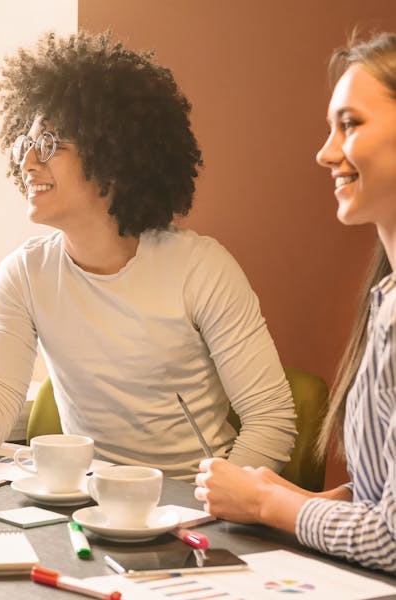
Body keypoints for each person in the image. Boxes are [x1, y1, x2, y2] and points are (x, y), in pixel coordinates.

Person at [0, 31, 297, 479]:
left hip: (193, 509)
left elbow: (271, 419)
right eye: (24, 145)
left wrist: (217, 502)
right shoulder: (26, 275)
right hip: (87, 507)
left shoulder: (201, 268)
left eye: (49, 145)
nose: (28, 162)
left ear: (112, 154)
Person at [194, 32, 396, 574]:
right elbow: (385, 498)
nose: (325, 152)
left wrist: (271, 504)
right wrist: (301, 501)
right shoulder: (384, 302)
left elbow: (394, 540)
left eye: (349, 124)